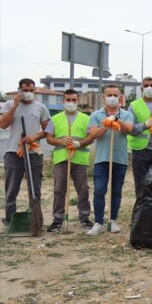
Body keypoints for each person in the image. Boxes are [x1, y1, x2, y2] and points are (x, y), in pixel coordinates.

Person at [85, 85, 134, 236]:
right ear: (104, 97)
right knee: (99, 190)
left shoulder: (126, 114)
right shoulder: (96, 114)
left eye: (115, 95)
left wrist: (116, 119)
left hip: (119, 159)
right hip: (101, 159)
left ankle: (112, 220)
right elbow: (93, 134)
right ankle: (99, 222)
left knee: (116, 191)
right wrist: (106, 126)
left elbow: (129, 129)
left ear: (120, 98)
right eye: (109, 94)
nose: (112, 97)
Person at [0, 78, 50, 227]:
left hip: (33, 152)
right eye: (25, 90)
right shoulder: (9, 105)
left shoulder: (41, 107)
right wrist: (15, 106)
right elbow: (3, 124)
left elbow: (48, 131)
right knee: (11, 188)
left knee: (35, 188)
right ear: (20, 91)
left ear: (34, 91)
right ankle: (10, 219)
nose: (28, 93)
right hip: (13, 153)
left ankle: (35, 219)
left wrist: (34, 136)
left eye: (31, 90)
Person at [45, 89, 92, 232]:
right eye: (68, 100)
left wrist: (79, 143)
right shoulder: (55, 118)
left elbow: (90, 137)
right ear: (63, 101)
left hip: (80, 158)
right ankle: (57, 220)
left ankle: (84, 218)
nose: (71, 103)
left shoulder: (86, 118)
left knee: (83, 190)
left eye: (74, 100)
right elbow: (49, 138)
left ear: (78, 101)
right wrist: (60, 141)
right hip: (61, 158)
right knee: (59, 190)